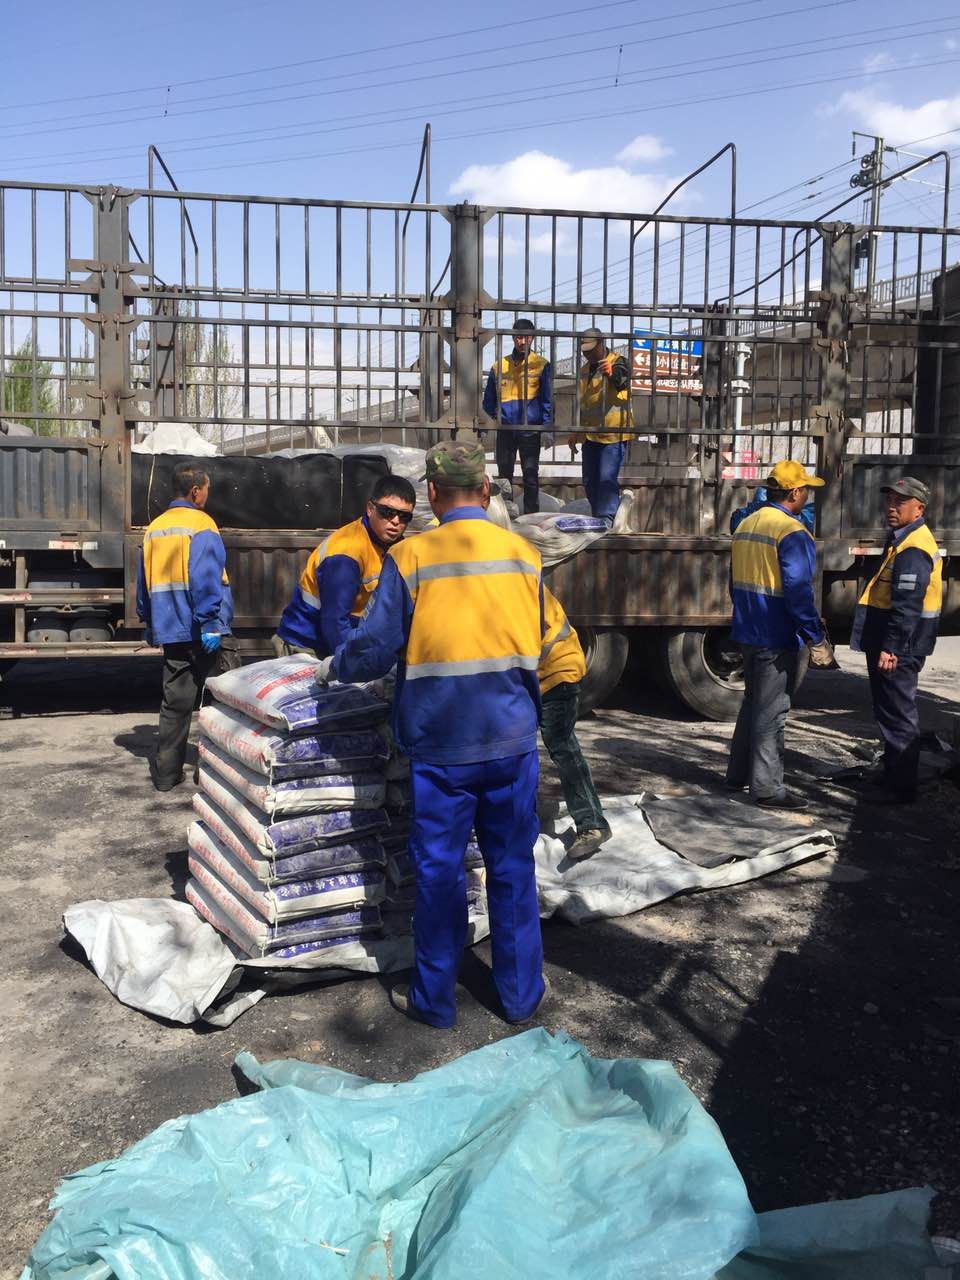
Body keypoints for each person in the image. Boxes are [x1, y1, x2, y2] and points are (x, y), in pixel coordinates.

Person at [329, 439, 546, 1030]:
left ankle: (433, 1001)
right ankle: (521, 997)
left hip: (442, 745)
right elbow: (543, 637)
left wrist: (334, 667)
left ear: (430, 493)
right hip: (511, 740)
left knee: (440, 873)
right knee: (512, 868)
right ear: (486, 490)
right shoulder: (525, 555)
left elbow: (374, 650)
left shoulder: (412, 557)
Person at [726, 460, 836, 809]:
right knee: (772, 713)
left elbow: (733, 582)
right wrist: (815, 637)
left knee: (752, 704)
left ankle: (737, 776)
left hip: (748, 629)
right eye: (807, 491)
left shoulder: (746, 525)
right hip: (776, 634)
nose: (808, 497)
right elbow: (798, 591)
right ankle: (767, 789)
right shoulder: (792, 532)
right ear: (795, 492)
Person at [136, 463, 235, 792]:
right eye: (206, 489)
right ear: (195, 491)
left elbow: (143, 582)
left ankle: (166, 776)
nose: (207, 494)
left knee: (175, 703)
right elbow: (205, 577)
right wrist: (210, 623)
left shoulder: (154, 528)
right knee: (221, 703)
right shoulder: (202, 524)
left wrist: (149, 621)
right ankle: (210, 773)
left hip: (171, 628)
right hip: (203, 630)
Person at [851, 476, 942, 805]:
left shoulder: (914, 547)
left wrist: (892, 647)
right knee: (888, 711)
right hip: (893, 643)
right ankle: (892, 775)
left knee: (899, 715)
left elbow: (907, 606)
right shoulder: (902, 540)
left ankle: (900, 789)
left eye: (900, 502)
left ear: (919, 509)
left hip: (900, 647)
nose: (891, 507)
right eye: (889, 500)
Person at [274, 474, 416, 658]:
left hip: (342, 643)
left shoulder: (396, 547)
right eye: (387, 512)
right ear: (370, 509)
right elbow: (335, 623)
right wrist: (352, 665)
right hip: (306, 647)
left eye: (404, 516)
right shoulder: (346, 554)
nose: (395, 521)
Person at [539, 586, 611, 859]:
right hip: (541, 673)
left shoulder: (511, 585)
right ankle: (527, 810)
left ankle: (592, 824)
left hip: (555, 674)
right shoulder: (507, 577)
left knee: (562, 746)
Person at [482, 318, 552, 514]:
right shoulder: (499, 366)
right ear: (513, 338)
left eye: (526, 338)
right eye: (519, 338)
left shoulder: (541, 365)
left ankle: (532, 515)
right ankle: (506, 514)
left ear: (532, 338)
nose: (522, 342)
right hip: (505, 429)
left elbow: (547, 399)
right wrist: (485, 424)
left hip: (530, 429)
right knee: (504, 475)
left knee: (530, 475)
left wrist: (547, 428)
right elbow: (489, 400)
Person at [570, 327, 631, 526]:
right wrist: (575, 431)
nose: (587, 354)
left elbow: (622, 381)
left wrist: (611, 373)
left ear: (601, 343)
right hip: (590, 435)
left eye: (591, 350)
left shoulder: (618, 361)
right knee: (589, 480)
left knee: (606, 479)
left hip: (613, 434)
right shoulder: (584, 371)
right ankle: (599, 517)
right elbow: (582, 404)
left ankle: (607, 520)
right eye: (584, 351)